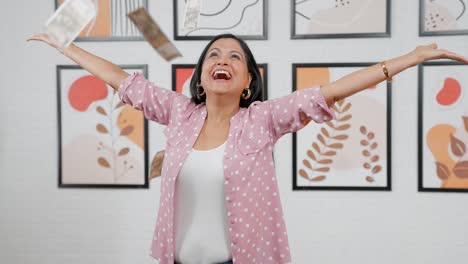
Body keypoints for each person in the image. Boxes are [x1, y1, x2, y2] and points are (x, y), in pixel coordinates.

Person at [28, 33, 468, 264]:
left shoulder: (263, 119)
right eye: (213, 55)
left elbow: (331, 91)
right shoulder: (179, 114)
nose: (223, 60)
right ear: (200, 75)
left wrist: (410, 58)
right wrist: (67, 47)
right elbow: (123, 81)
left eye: (235, 57)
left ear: (248, 80)